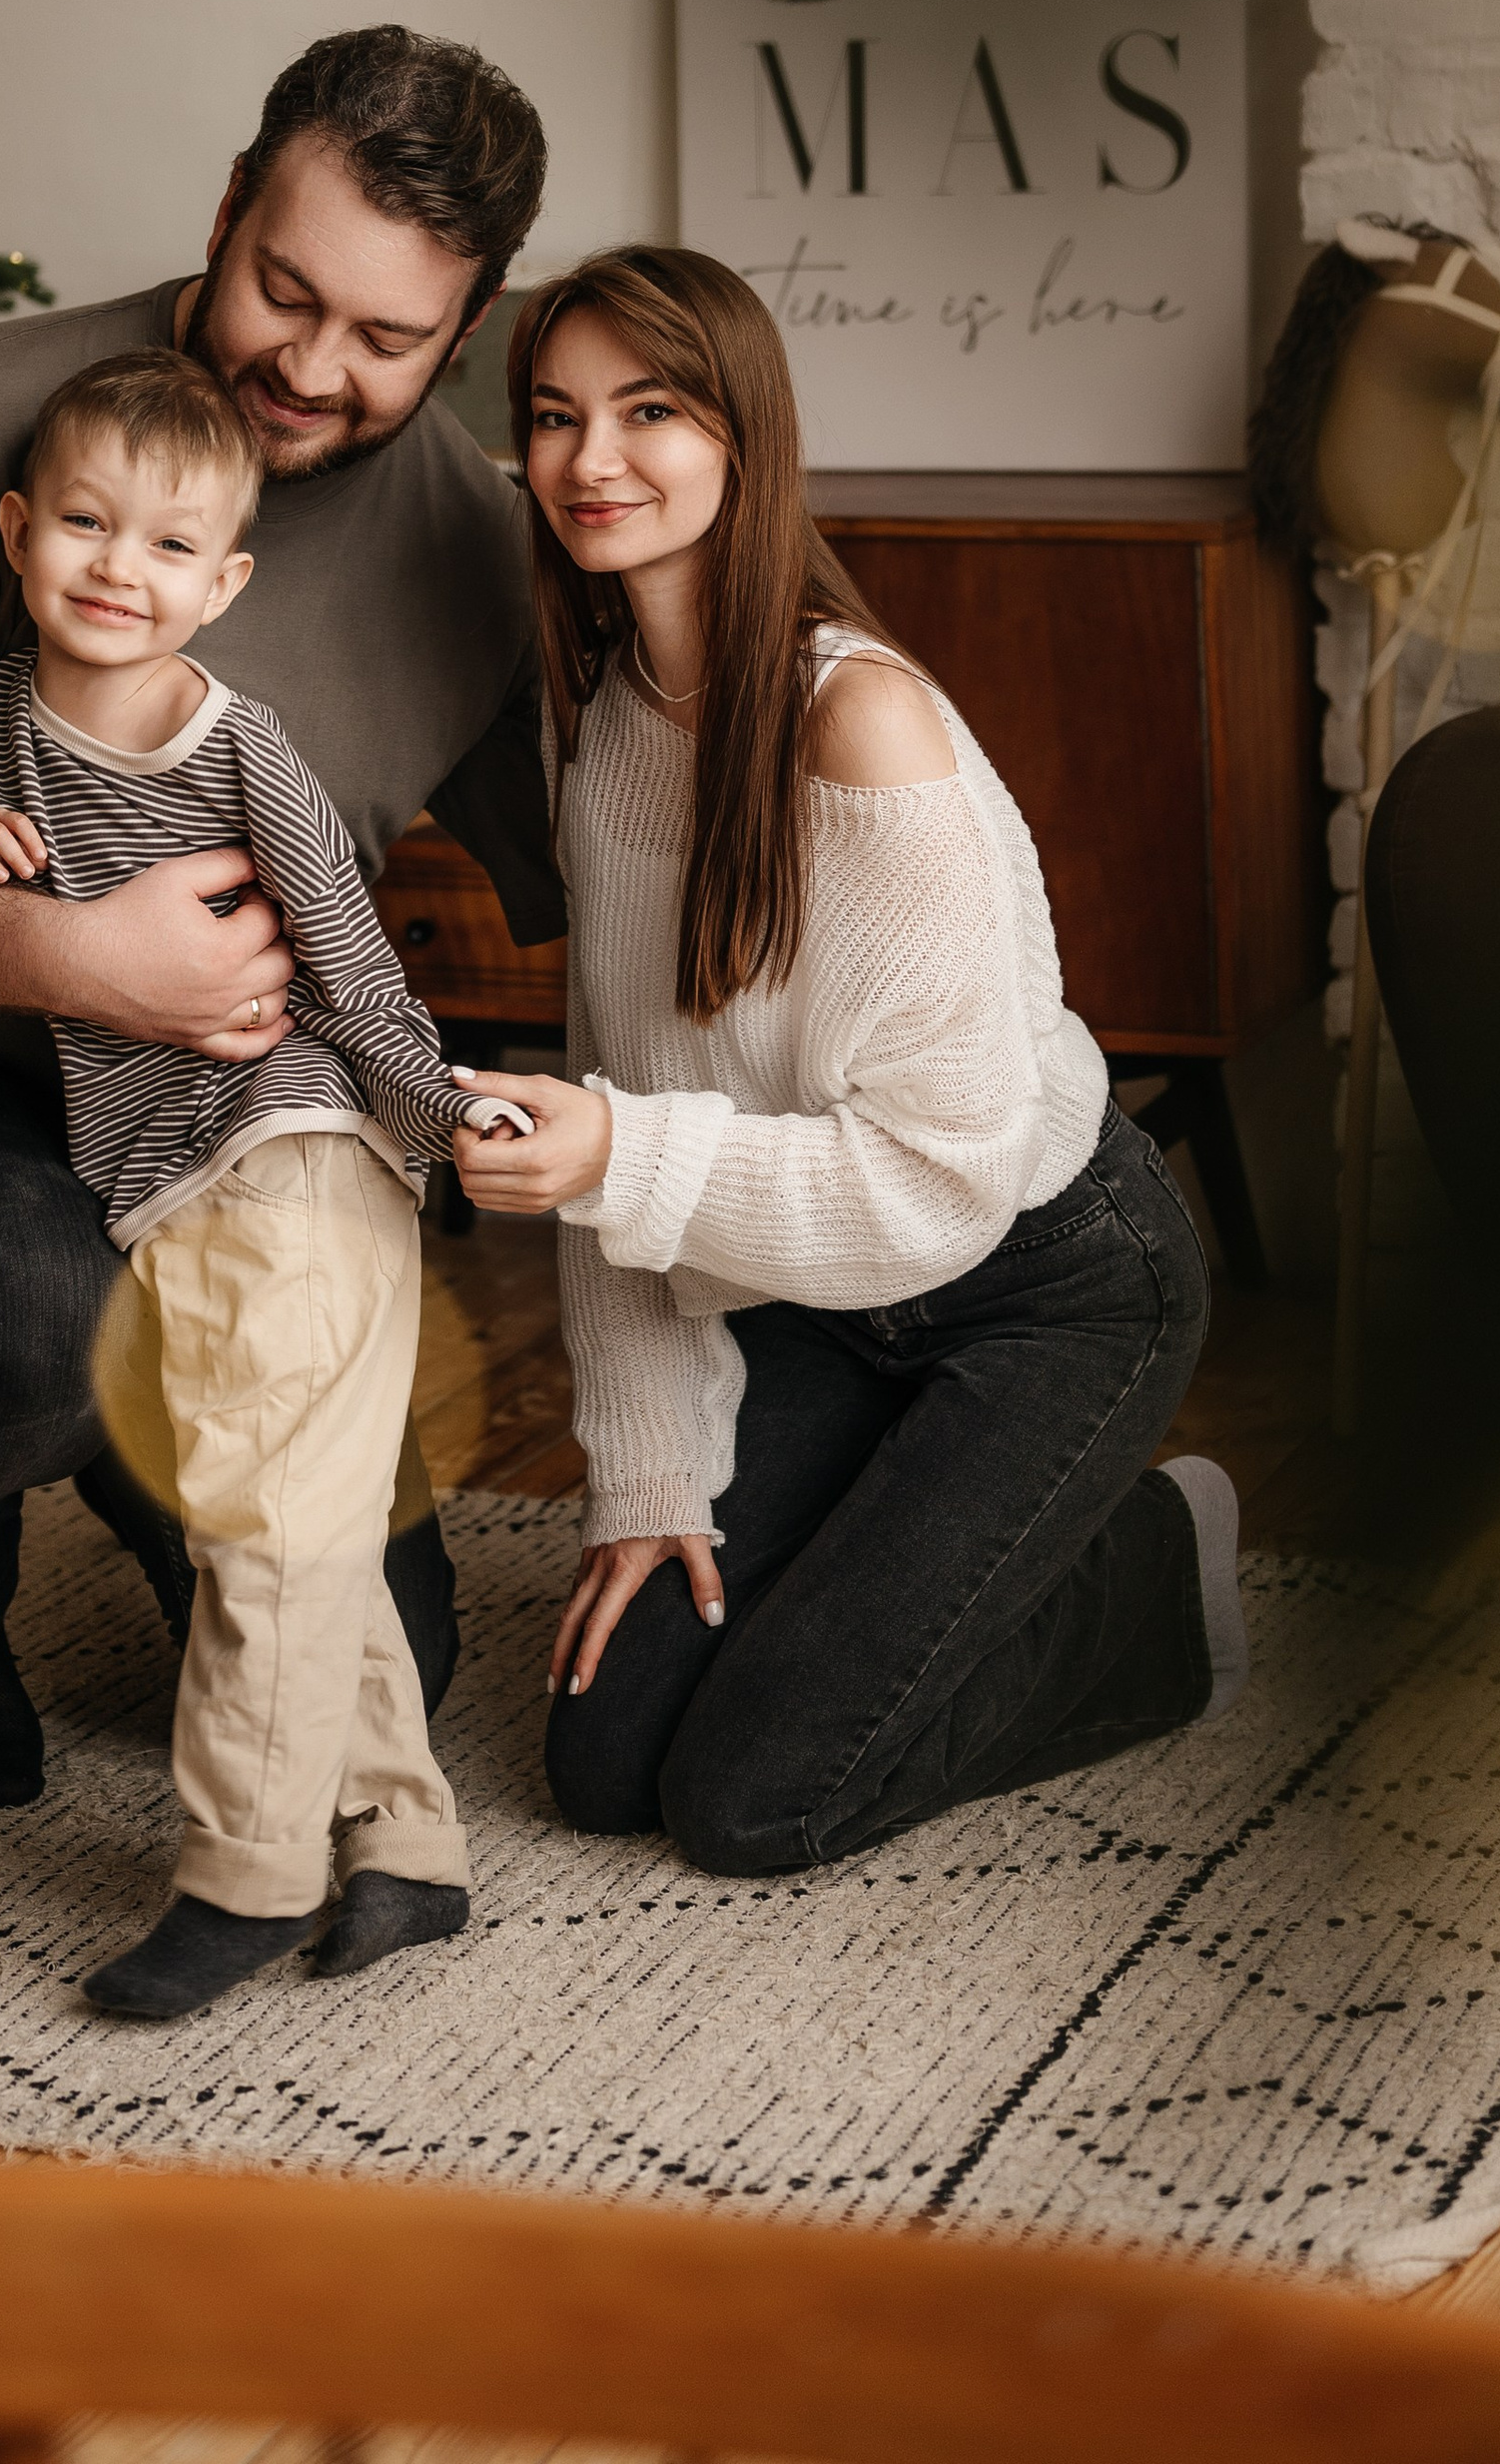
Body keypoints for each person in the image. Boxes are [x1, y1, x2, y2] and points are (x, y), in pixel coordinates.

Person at [0, 27, 561, 1813]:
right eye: (282, 288)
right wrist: (74, 957)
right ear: (230, 205)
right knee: (21, 1331)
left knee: (386, 1650)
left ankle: (143, 1434)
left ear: (464, 337)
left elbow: (593, 872)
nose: (311, 366)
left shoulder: (471, 548)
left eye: (388, 340)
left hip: (225, 1142)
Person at [448, 246, 1242, 1869]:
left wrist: (614, 1154)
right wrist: (651, 1480)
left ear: (742, 433)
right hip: (812, 1285)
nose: (591, 462)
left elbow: (933, 1186)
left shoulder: (856, 725)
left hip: (1043, 1278)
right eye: (552, 416)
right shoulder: (596, 720)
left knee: (757, 1800)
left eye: (648, 410)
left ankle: (1151, 1551)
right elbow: (624, 1105)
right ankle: (901, 1520)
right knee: (603, 1767)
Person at [0, 348, 525, 2014]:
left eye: (172, 546)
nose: (123, 569)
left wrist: (438, 1115)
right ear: (17, 529)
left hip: (295, 1149)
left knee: (259, 1527)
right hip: (154, 1180)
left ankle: (243, 1877)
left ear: (226, 583)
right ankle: (403, 1847)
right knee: (297, 1514)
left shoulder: (242, 750)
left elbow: (339, 949)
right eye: (90, 526)